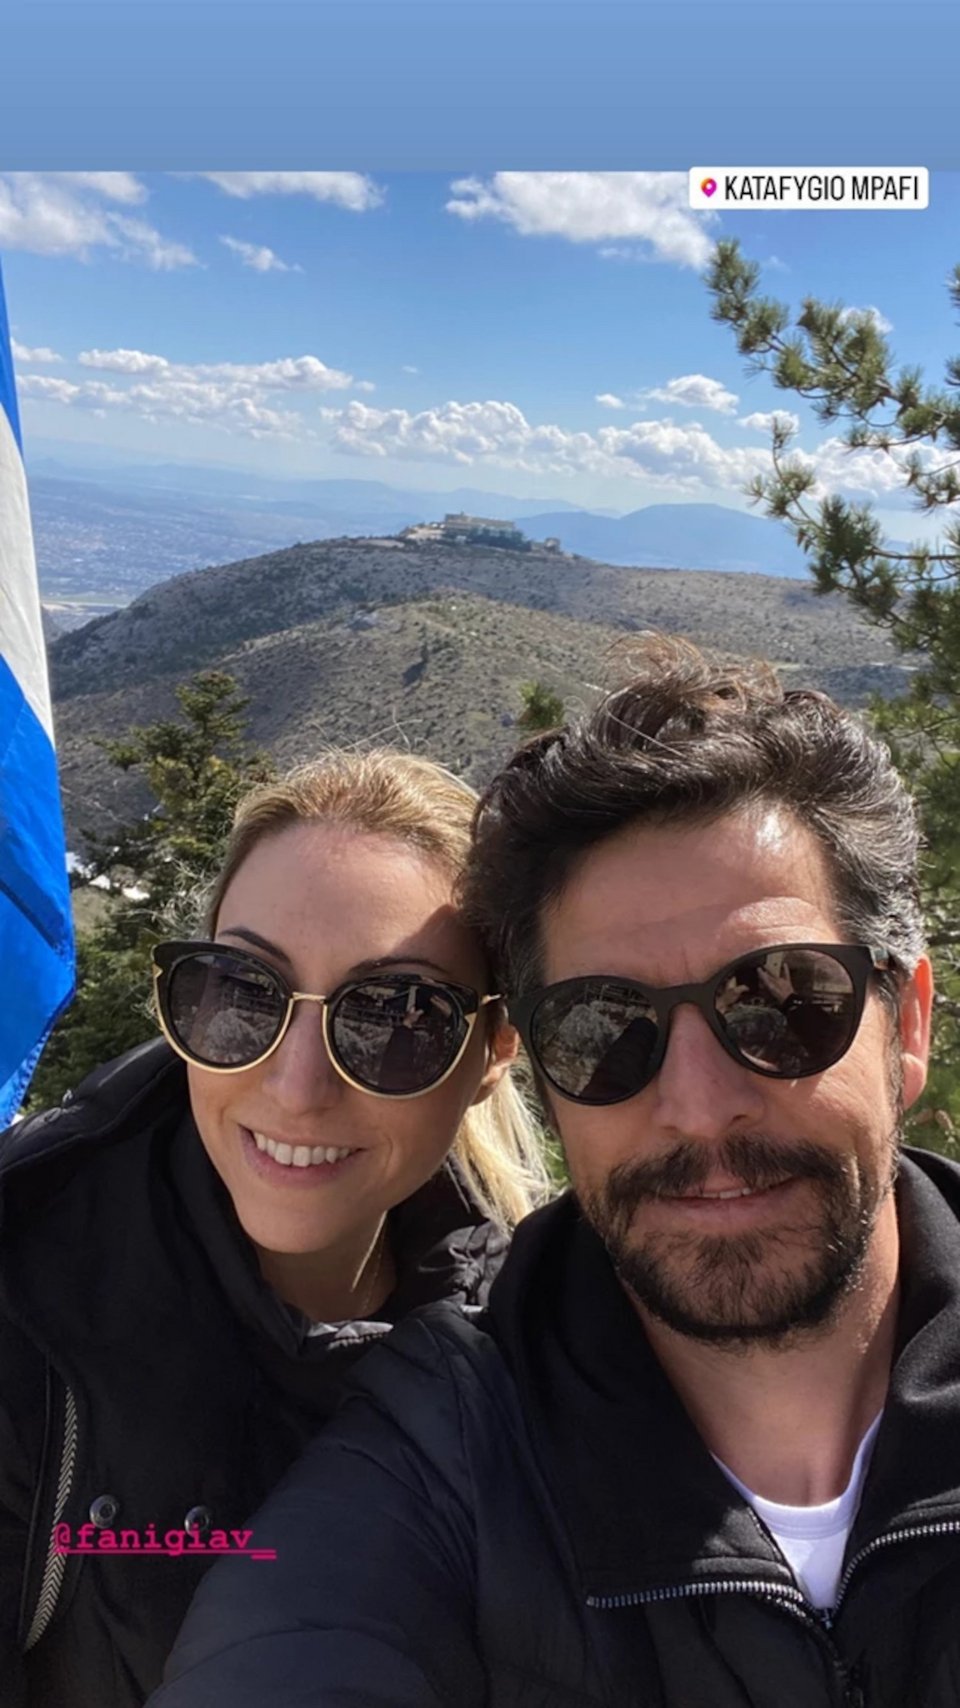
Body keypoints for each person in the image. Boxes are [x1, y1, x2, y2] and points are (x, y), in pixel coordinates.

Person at [155, 635, 960, 1708]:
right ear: (537, 1071)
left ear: (907, 1025)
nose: (698, 1106)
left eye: (782, 1002)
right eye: (605, 1028)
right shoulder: (443, 1454)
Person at [0, 748, 549, 1708]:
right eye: (245, 991)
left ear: (494, 1049)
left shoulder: (536, 1350)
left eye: (396, 1017)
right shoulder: (27, 1316)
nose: (296, 1089)